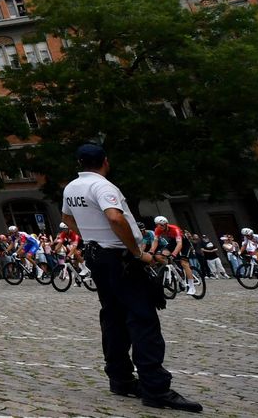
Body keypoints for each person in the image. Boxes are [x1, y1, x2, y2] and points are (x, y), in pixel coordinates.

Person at [62, 143, 201, 412]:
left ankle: (120, 378)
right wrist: (136, 251)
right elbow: (115, 217)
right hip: (119, 257)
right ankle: (155, 388)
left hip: (96, 255)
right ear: (105, 160)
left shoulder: (71, 187)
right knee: (142, 318)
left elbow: (67, 217)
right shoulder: (103, 186)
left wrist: (92, 235)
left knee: (113, 316)